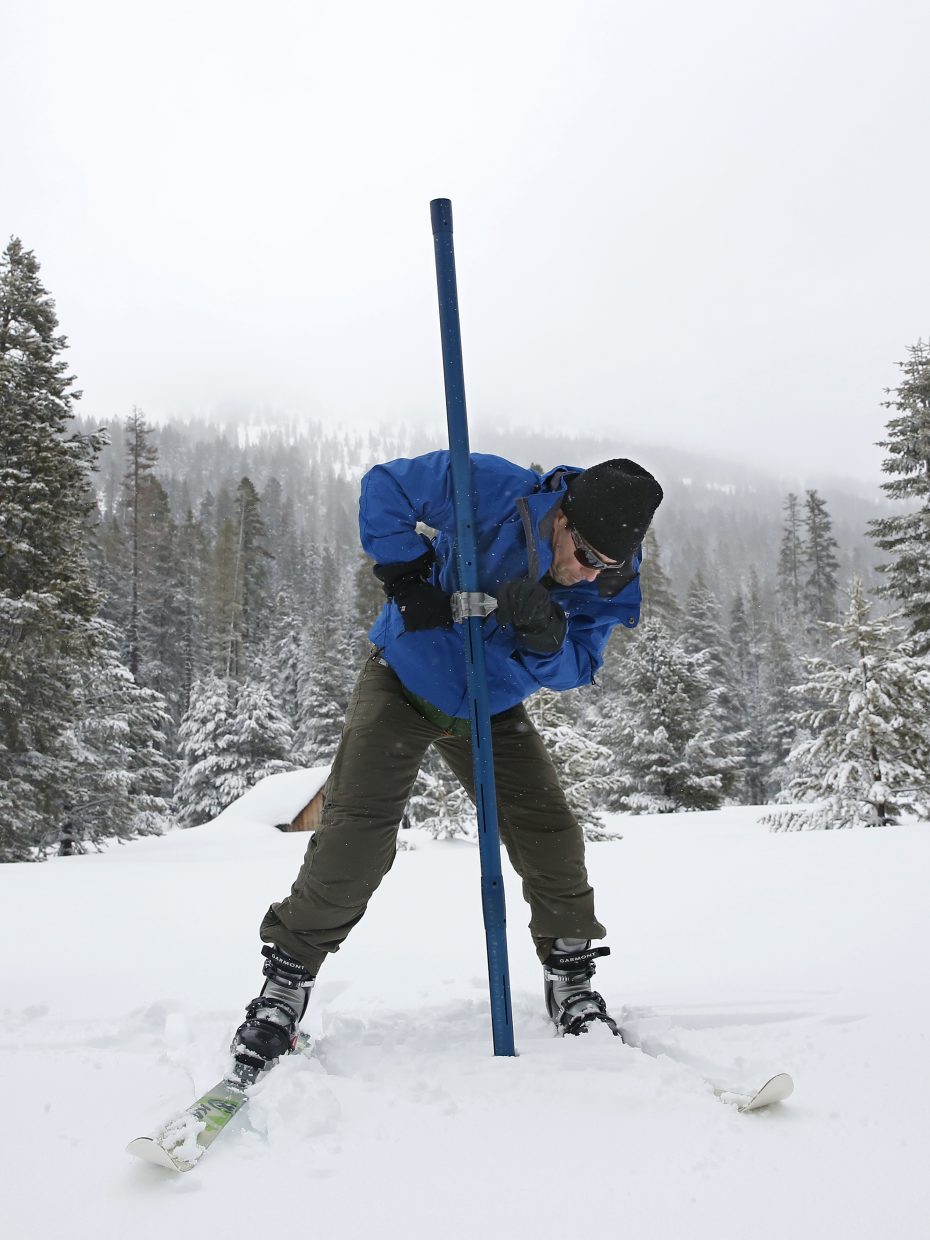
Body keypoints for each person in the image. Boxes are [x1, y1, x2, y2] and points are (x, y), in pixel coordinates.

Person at [231, 451, 663, 1079]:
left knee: (551, 834)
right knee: (356, 834)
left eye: (608, 564)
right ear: (564, 519)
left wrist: (546, 642)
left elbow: (581, 666)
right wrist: (407, 579)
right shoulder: (493, 490)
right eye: (585, 556)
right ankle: (285, 986)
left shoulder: (612, 578)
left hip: (490, 704)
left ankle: (571, 980)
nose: (589, 576)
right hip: (405, 677)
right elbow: (386, 489)